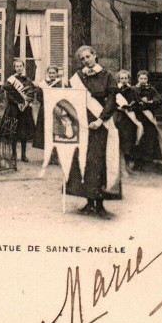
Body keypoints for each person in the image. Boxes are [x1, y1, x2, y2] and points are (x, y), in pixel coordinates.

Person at [65, 45, 122, 219]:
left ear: (95, 56)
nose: (86, 61)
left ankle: (100, 203)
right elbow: (70, 100)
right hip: (83, 125)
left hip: (101, 125)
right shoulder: (78, 78)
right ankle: (89, 201)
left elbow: (112, 101)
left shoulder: (106, 76)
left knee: (101, 162)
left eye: (88, 57)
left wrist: (100, 119)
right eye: (82, 59)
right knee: (84, 162)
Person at [2, 59, 37, 162]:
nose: (19, 68)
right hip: (13, 109)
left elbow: (31, 94)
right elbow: (9, 94)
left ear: (23, 67)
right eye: (17, 66)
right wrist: (18, 103)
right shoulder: (10, 80)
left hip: (25, 110)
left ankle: (23, 154)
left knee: (23, 132)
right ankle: (13, 154)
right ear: (14, 68)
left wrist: (26, 103)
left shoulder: (28, 80)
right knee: (13, 131)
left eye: (21, 66)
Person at [130, 70, 162, 170]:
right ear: (138, 79)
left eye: (145, 78)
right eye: (141, 78)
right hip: (138, 117)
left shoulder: (151, 89)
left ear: (148, 79)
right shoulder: (133, 89)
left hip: (148, 118)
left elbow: (159, 99)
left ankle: (147, 162)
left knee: (149, 138)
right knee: (138, 138)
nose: (143, 80)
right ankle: (137, 162)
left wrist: (150, 101)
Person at [112, 69, 143, 174]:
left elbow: (138, 102)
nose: (124, 80)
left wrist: (132, 106)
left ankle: (128, 165)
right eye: (122, 78)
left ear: (128, 79)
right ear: (119, 79)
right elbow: (112, 103)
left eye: (126, 78)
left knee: (129, 141)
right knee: (120, 141)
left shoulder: (133, 90)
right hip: (120, 118)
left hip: (130, 119)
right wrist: (119, 108)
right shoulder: (116, 90)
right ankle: (121, 166)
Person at [33, 66, 63, 165]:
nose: (51, 75)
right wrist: (48, 100)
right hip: (45, 110)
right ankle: (48, 156)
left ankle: (56, 156)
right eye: (49, 73)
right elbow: (39, 97)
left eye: (53, 73)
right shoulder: (43, 85)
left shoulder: (60, 84)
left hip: (56, 110)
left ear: (57, 73)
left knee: (56, 132)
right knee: (46, 132)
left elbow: (63, 96)